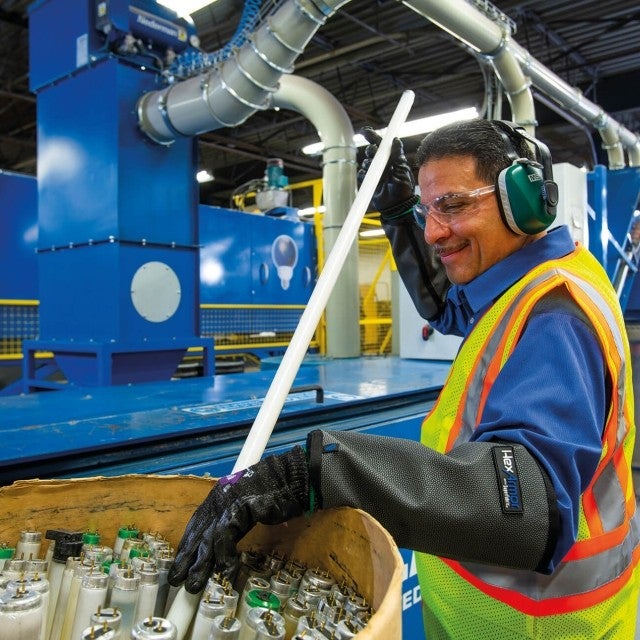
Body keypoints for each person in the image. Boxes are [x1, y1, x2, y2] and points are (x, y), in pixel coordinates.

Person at [167, 118, 640, 638]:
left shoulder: (554, 320)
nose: (435, 231)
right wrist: (398, 216)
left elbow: (524, 506)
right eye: (428, 210)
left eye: (455, 206)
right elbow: (450, 306)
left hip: (536, 622)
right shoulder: (526, 278)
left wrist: (317, 473)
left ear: (526, 200)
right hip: (486, 612)